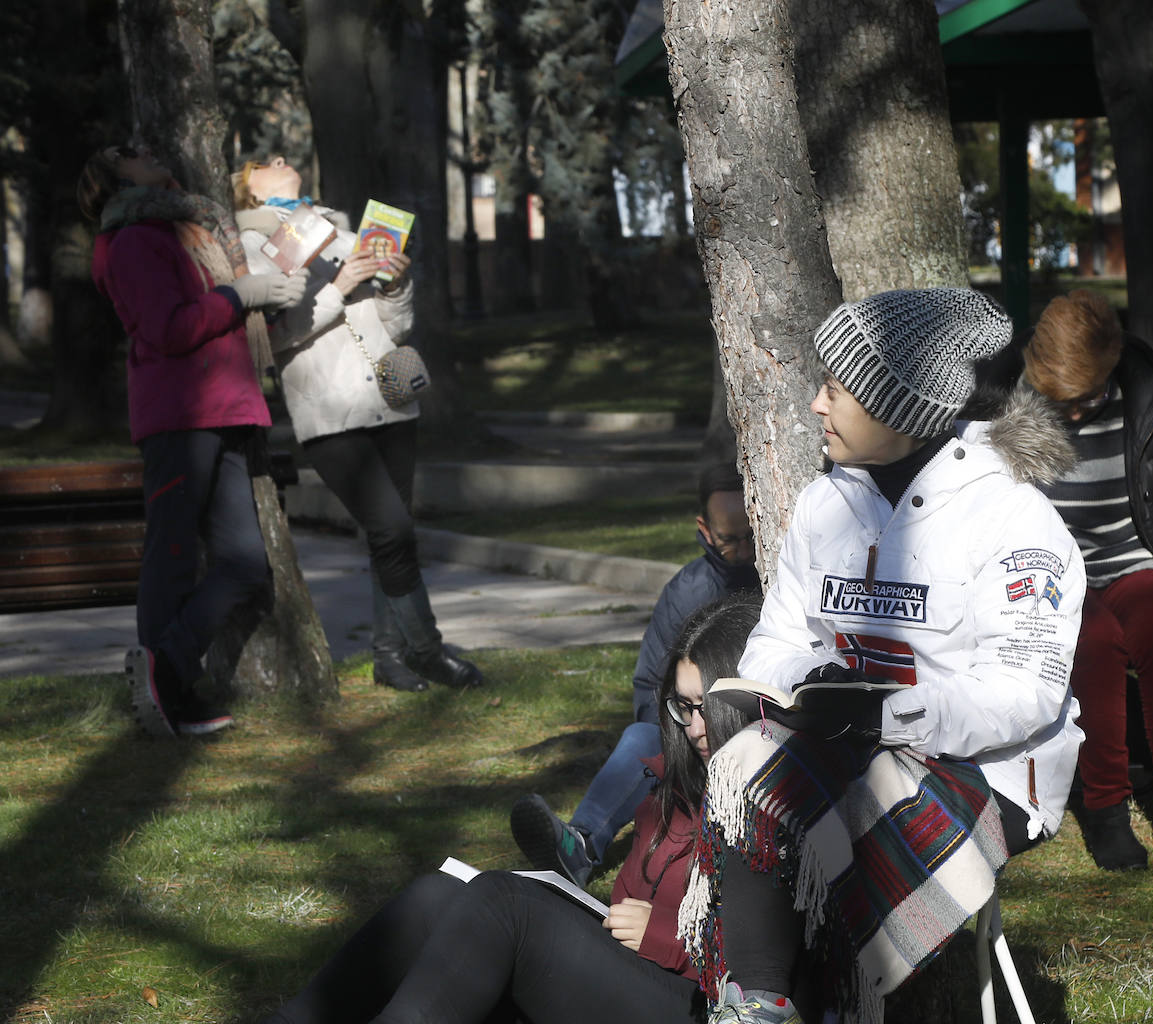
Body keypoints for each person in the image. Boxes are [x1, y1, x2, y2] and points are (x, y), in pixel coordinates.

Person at [92, 593, 807, 1024]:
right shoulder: (681, 778)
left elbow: (771, 977)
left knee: (501, 898)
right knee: (445, 892)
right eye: (679, 707)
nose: (691, 726)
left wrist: (654, 929)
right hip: (613, 1021)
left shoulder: (773, 796)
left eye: (702, 708)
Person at [661, 288, 1086, 1024]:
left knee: (794, 801)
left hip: (987, 771)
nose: (816, 403)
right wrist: (802, 691)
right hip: (851, 746)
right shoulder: (829, 503)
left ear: (901, 405)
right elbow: (778, 640)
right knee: (743, 762)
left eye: (838, 388)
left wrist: (885, 713)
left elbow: (1025, 694)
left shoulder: (1011, 515)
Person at [989, 289, 1153, 872]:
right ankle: (1108, 809)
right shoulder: (1016, 405)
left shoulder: (1144, 395)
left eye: (1086, 399)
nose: (1073, 413)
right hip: (1054, 572)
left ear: (1113, 366)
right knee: (1092, 646)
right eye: (1061, 400)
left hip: (1135, 556)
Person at [79, 143, 309, 737]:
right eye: (128, 153)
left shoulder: (187, 227)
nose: (147, 151)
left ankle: (164, 668)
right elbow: (169, 328)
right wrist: (242, 294)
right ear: (111, 180)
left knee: (244, 563)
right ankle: (168, 696)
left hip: (227, 406)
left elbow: (220, 313)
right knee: (173, 553)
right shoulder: (131, 241)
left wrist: (270, 295)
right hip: (180, 411)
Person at [232, 155, 481, 692]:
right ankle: (426, 650)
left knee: (391, 537)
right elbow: (278, 336)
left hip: (390, 398)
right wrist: (342, 283)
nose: (279, 157)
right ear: (250, 194)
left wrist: (394, 285)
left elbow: (396, 325)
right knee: (392, 528)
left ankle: (389, 658)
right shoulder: (252, 247)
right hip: (330, 412)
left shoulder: (341, 232)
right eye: (262, 161)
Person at [509, 462, 758, 884]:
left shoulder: (784, 576)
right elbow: (650, 687)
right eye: (729, 540)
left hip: (762, 729)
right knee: (643, 736)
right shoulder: (686, 594)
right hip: (695, 734)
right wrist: (685, 735)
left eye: (752, 536)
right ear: (704, 527)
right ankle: (580, 846)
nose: (745, 551)